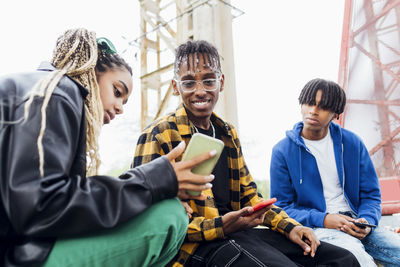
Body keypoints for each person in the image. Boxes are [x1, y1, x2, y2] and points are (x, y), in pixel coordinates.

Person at [133, 40, 360, 267]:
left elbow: (250, 196)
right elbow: (151, 221)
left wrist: (291, 226)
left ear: (220, 82)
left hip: (237, 234)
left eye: (209, 81)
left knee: (343, 259)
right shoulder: (158, 134)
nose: (200, 91)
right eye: (189, 83)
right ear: (175, 86)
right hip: (193, 248)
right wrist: (221, 226)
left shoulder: (227, 133)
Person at [0, 28, 216, 267]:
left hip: (16, 244)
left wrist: (150, 191)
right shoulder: (57, 93)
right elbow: (39, 206)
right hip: (14, 254)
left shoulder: (44, 91)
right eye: (117, 91)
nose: (121, 108)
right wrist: (153, 182)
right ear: (90, 72)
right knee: (168, 215)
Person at [270, 78, 400, 267]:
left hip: (357, 221)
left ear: (335, 114)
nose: (313, 111)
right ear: (301, 104)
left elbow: (371, 195)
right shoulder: (282, 151)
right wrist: (324, 219)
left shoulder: (352, 143)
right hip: (319, 226)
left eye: (323, 107)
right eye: (309, 103)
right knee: (358, 259)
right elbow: (282, 207)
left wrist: (367, 222)